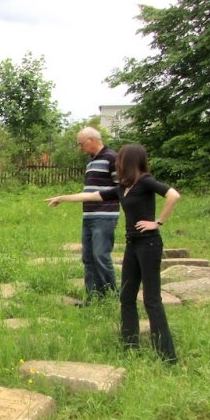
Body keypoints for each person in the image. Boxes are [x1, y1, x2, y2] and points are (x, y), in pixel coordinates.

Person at [46, 144, 180, 363]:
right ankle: (130, 346)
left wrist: (158, 222)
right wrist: (62, 197)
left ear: (129, 162)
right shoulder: (123, 187)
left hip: (149, 246)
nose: (116, 163)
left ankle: (167, 355)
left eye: (120, 161)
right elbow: (92, 196)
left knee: (151, 300)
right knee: (126, 296)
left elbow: (173, 195)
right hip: (132, 245)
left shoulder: (145, 181)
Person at [76, 127, 119, 302]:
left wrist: (100, 198)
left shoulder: (112, 158)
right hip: (89, 216)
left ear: (91, 140)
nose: (80, 148)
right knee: (88, 257)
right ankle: (93, 296)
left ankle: (112, 296)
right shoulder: (91, 161)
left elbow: (121, 187)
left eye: (81, 144)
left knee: (101, 255)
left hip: (105, 215)